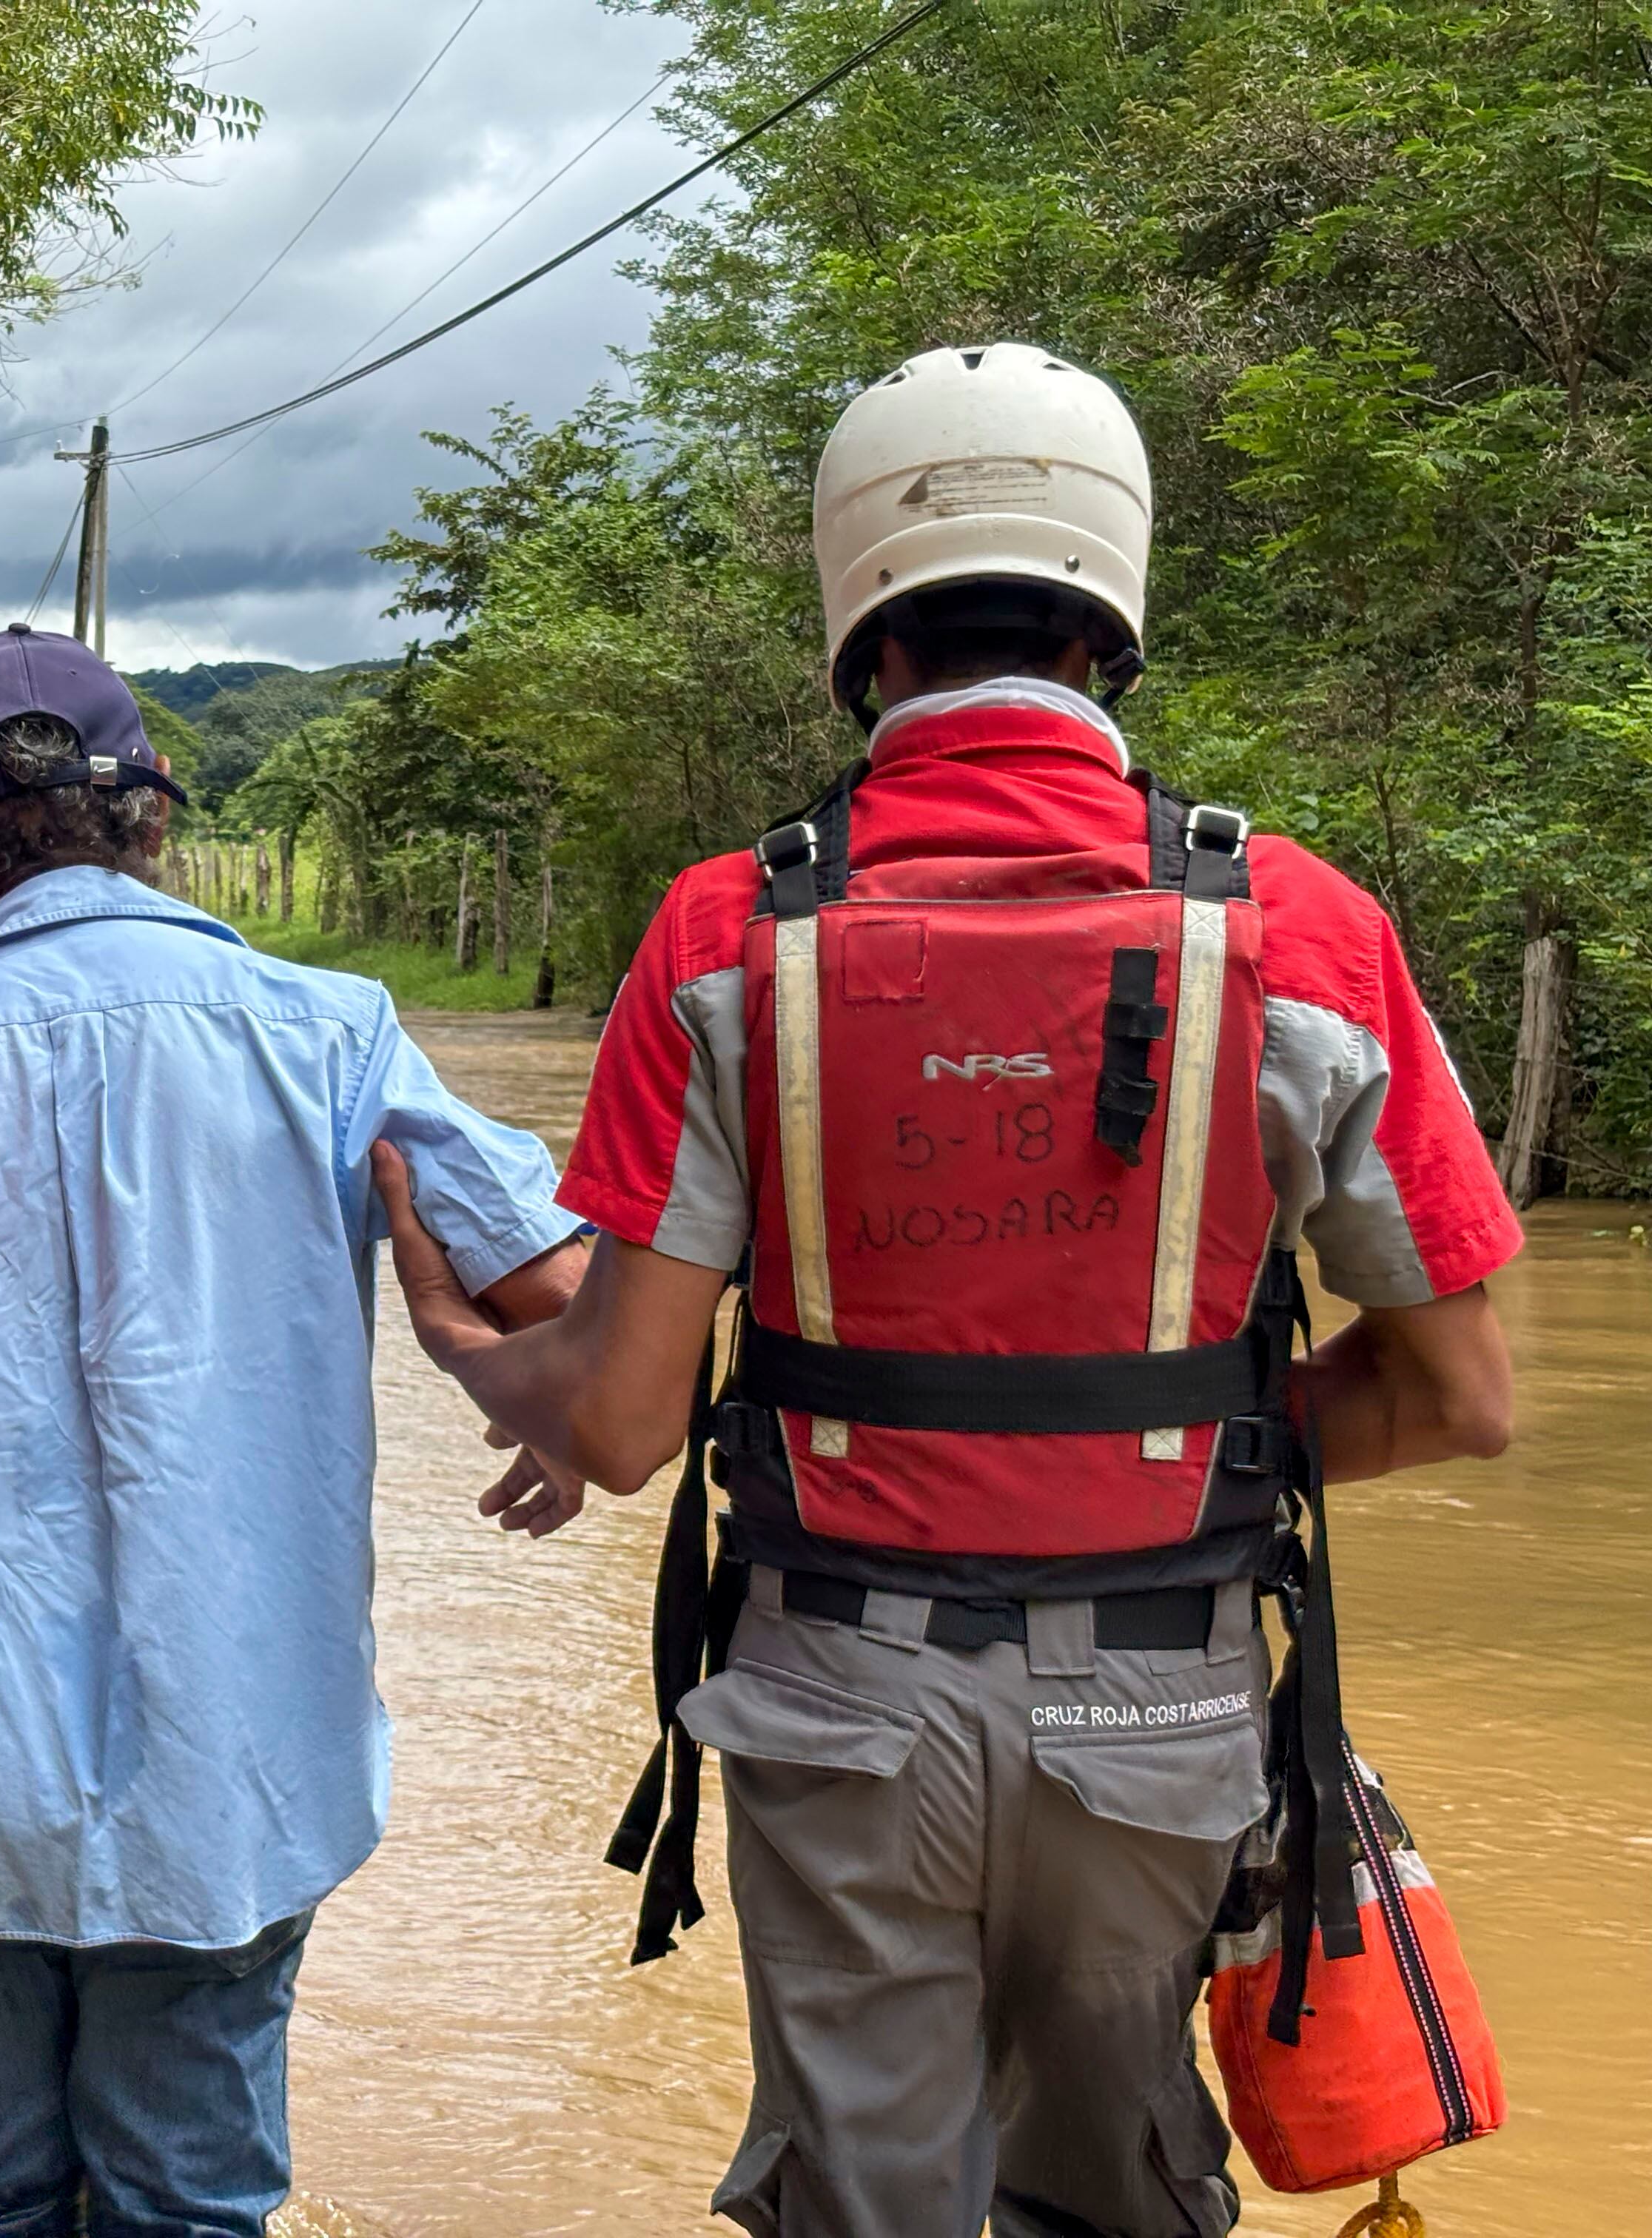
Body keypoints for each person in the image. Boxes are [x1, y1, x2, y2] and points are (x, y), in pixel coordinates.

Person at [374, 342, 1520, 2238]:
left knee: (866, 2205)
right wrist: (1195, 1453)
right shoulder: (1302, 931)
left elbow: (626, 1421)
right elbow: (1462, 1395)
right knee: (1120, 2192)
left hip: (838, 1696)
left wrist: (465, 1348)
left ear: (860, 626)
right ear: (1110, 618)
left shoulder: (724, 933)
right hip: (1167, 1707)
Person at [0, 622, 588, 2238]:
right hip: (228, 1768)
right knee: (187, 2205)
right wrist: (490, 1361)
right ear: (158, 813)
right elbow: (576, 1309)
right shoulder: (333, 1036)